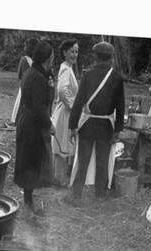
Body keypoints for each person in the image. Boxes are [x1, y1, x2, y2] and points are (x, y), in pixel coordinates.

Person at [67, 41, 125, 204]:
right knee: (102, 160)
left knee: (83, 160)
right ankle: (100, 194)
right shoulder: (117, 78)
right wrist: (118, 129)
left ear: (96, 57)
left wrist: (72, 126)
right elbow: (120, 107)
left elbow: (78, 102)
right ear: (111, 58)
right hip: (106, 126)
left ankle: (76, 193)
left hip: (87, 125)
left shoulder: (88, 74)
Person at [14, 40, 56, 213]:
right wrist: (50, 125)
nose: (53, 59)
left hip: (26, 120)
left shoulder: (32, 72)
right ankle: (29, 204)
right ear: (48, 58)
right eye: (52, 56)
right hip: (32, 124)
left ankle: (28, 200)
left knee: (28, 161)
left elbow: (44, 101)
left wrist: (51, 87)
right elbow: (40, 107)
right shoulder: (38, 77)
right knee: (30, 162)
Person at [51, 39, 79, 185]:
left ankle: (59, 177)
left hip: (65, 110)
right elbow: (62, 90)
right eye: (72, 51)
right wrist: (73, 106)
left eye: (76, 52)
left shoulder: (68, 68)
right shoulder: (66, 69)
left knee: (64, 144)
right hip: (65, 112)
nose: (75, 55)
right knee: (62, 144)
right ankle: (59, 179)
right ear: (65, 52)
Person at [10, 37, 39, 124]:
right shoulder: (37, 61)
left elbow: (19, 75)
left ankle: (17, 120)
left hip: (24, 87)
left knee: (20, 106)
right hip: (35, 89)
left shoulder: (24, 60)